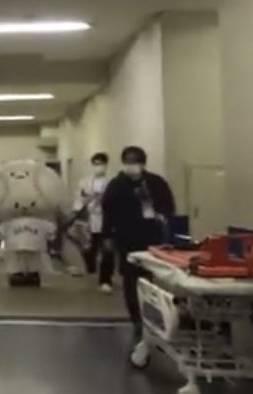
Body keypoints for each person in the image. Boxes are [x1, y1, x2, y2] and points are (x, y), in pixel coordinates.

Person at [101, 145, 175, 368]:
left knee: (154, 281)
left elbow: (168, 207)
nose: (132, 166)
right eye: (129, 161)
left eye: (136, 161)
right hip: (127, 240)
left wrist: (156, 209)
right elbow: (107, 212)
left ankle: (157, 320)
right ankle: (137, 320)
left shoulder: (156, 183)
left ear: (143, 163)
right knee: (131, 280)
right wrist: (107, 236)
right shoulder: (116, 186)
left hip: (153, 239)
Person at [75, 152, 114, 293]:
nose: (99, 167)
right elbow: (78, 200)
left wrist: (102, 199)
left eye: (101, 164)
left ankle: (105, 280)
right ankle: (90, 268)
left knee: (107, 251)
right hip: (89, 220)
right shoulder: (84, 182)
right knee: (90, 249)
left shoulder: (112, 182)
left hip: (106, 220)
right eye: (96, 164)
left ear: (106, 165)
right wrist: (85, 201)